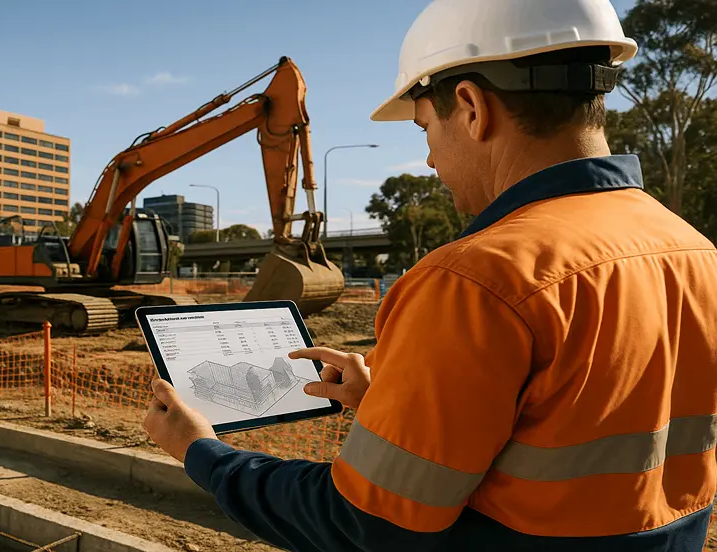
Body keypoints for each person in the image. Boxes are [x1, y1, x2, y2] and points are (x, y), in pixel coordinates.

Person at [142, 0, 717, 550]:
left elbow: (365, 527)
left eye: (424, 130)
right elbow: (579, 434)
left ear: (470, 106)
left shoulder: (476, 280)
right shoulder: (695, 253)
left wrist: (201, 451)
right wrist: (387, 403)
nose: (429, 161)